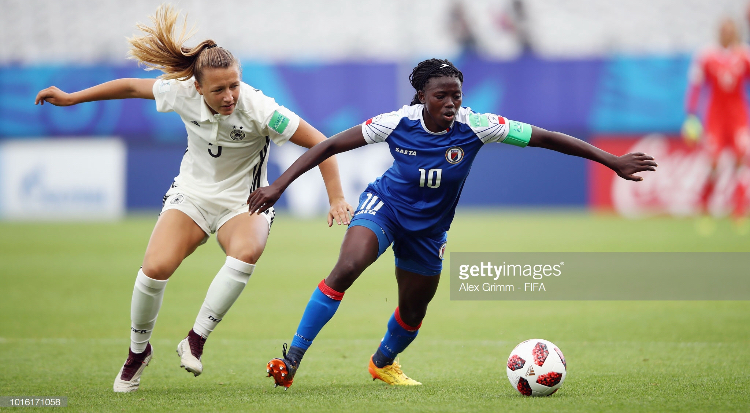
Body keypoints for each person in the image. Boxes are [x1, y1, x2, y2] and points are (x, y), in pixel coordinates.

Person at [247, 58, 657, 388]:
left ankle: (382, 362)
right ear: (422, 96)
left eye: (456, 96)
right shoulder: (397, 122)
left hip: (429, 232)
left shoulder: (477, 127)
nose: (450, 104)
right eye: (441, 96)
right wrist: (278, 185)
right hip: (384, 208)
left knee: (413, 310)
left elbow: (546, 137)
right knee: (348, 267)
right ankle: (291, 360)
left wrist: (612, 160)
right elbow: (331, 143)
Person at [34, 4, 353, 393]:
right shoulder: (180, 92)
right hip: (192, 196)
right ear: (198, 87)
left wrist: (336, 197)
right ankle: (137, 353)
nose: (229, 95)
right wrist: (71, 99)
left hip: (243, 202)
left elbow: (323, 144)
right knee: (153, 271)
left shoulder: (261, 108)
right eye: (218, 89)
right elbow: (132, 87)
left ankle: (196, 338)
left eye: (234, 84)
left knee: (246, 253)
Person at [684, 17, 750, 224]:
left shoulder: (745, 55)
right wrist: (691, 115)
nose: (727, 34)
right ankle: (704, 207)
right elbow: (695, 86)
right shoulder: (706, 56)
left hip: (738, 117)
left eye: (730, 30)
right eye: (724, 30)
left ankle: (739, 212)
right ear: (718, 32)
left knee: (741, 160)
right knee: (713, 164)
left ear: (736, 32)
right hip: (715, 118)